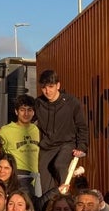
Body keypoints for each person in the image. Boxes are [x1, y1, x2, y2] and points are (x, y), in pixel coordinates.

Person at [35, 69, 89, 197]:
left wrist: (81, 147)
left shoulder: (71, 102)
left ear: (58, 85)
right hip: (47, 147)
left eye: (51, 86)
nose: (47, 91)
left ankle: (66, 199)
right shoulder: (38, 103)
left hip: (67, 144)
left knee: (59, 164)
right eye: (44, 87)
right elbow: (25, 120)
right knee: (44, 179)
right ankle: (47, 209)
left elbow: (82, 127)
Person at [0, 94, 41, 193]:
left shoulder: (37, 130)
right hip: (18, 178)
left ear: (33, 112)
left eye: (29, 110)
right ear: (16, 111)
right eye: (22, 110)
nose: (26, 114)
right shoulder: (5, 131)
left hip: (36, 178)